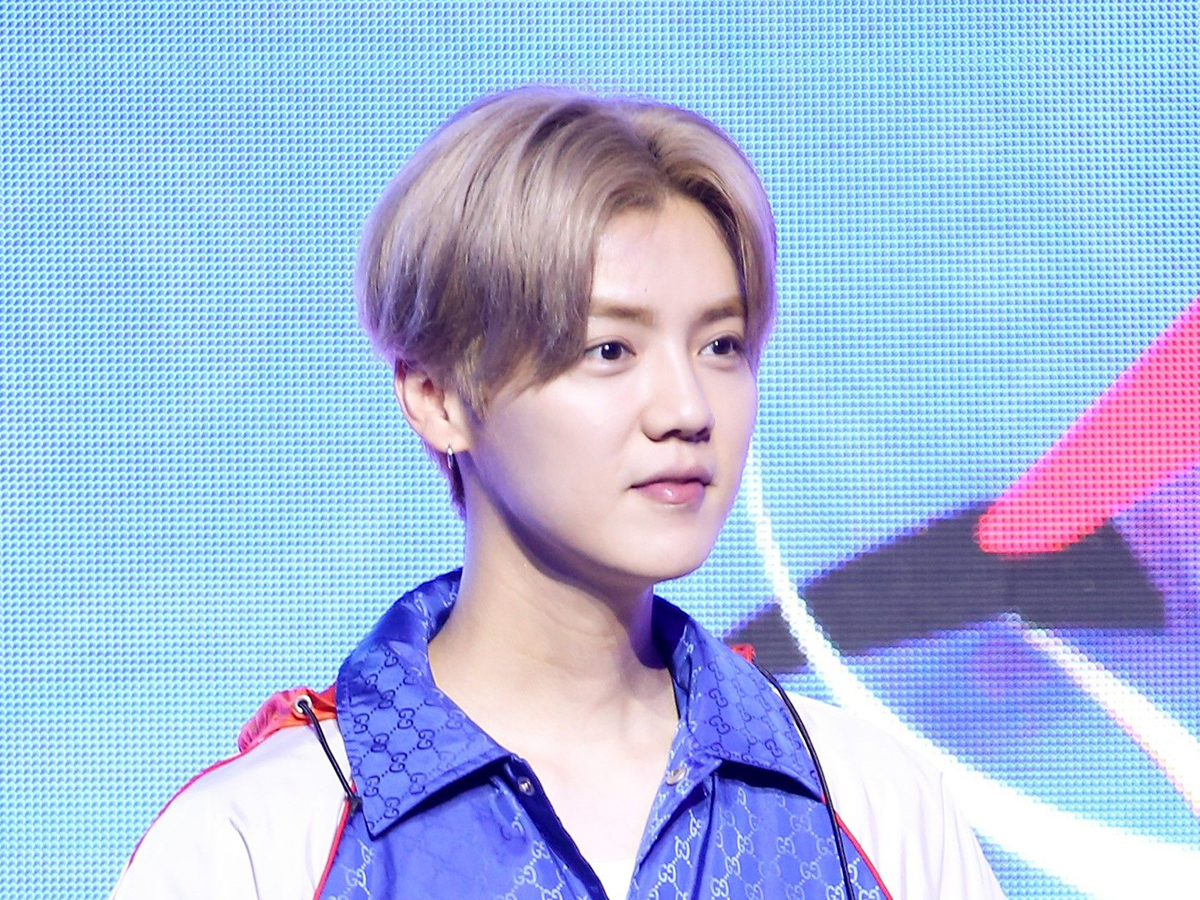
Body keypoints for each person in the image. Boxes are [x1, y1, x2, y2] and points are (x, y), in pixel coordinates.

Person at [109, 85, 1005, 899]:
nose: (687, 409)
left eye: (720, 345)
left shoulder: (872, 805)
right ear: (438, 397)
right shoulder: (262, 841)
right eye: (609, 350)